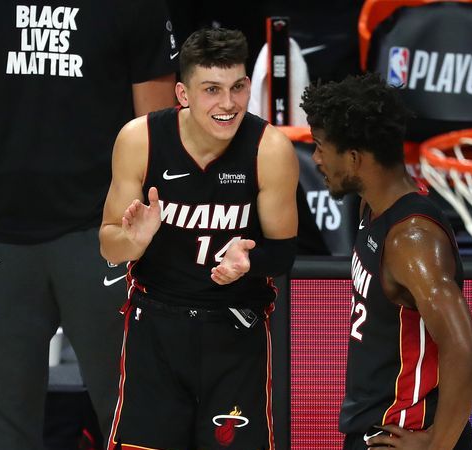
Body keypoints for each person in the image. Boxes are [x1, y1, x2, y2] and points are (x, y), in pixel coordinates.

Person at [0, 1, 177, 448]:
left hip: (99, 237)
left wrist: (134, 241)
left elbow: (155, 134)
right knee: (8, 431)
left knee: (131, 420)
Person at [99, 27, 299, 449]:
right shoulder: (140, 139)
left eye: (238, 87)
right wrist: (133, 242)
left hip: (234, 333)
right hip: (155, 329)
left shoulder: (270, 149)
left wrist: (251, 262)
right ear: (183, 94)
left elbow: (284, 253)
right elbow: (108, 243)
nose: (228, 104)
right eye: (211, 89)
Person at [300, 73, 472, 450]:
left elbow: (465, 348)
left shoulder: (411, 239)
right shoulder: (373, 205)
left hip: (404, 431)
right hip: (376, 426)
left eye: (321, 147)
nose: (316, 159)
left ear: (353, 158)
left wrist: (437, 446)